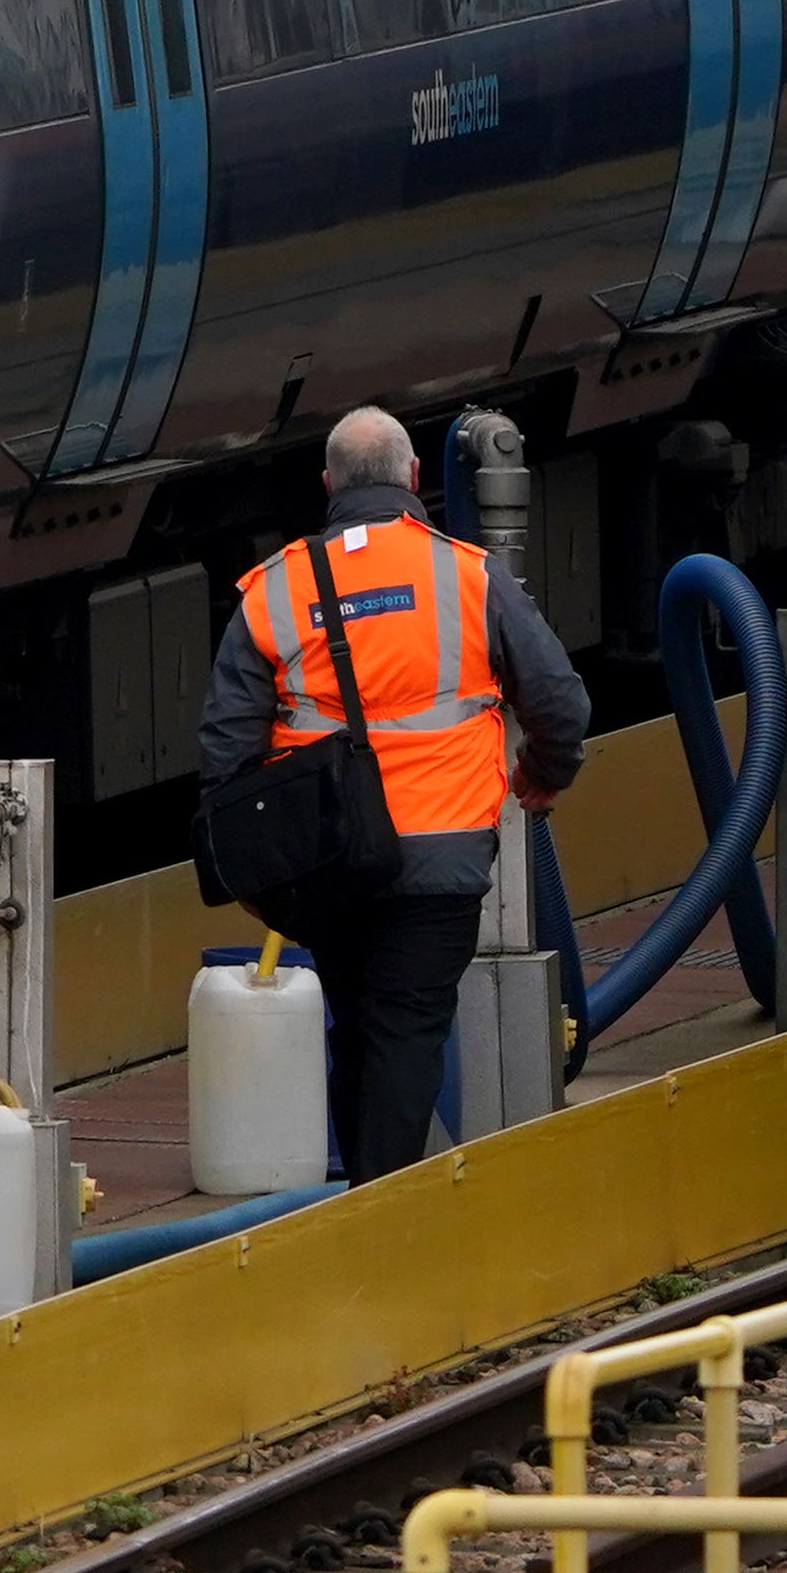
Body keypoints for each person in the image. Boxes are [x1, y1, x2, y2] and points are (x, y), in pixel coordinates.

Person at [196, 406, 592, 1185]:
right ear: (414, 478)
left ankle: (364, 1202)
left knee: (358, 1031)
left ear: (327, 486)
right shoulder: (470, 574)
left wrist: (252, 874)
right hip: (441, 855)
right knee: (406, 1032)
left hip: (328, 863)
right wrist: (548, 771)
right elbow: (560, 702)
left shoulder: (274, 590)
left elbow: (224, 751)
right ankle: (381, 1212)